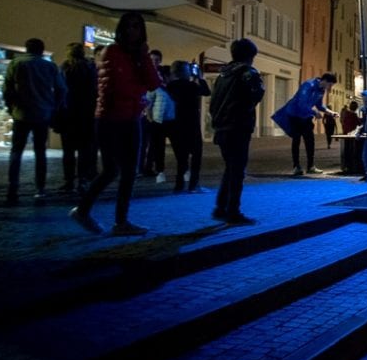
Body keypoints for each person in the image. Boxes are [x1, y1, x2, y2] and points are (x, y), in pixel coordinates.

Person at [70, 12, 162, 235]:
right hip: (111, 118)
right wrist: (139, 94)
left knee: (129, 171)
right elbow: (117, 87)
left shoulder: (138, 55)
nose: (132, 31)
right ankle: (83, 211)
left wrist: (144, 58)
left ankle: (121, 221)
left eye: (137, 27)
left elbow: (153, 83)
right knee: (111, 170)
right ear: (121, 29)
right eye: (129, 27)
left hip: (131, 118)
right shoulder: (112, 52)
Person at [3, 38, 67, 205]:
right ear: (41, 50)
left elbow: (7, 88)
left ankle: (13, 188)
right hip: (42, 114)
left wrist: (11, 107)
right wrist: (54, 107)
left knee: (16, 151)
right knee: (40, 152)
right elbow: (61, 89)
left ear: (26, 48)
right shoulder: (49, 66)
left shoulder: (16, 63)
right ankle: (40, 189)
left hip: (21, 114)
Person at [208, 38, 264, 224]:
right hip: (238, 126)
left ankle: (221, 207)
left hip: (222, 126)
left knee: (230, 168)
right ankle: (233, 211)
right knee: (237, 170)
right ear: (251, 56)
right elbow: (257, 93)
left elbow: (213, 101)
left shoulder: (223, 74)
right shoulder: (248, 72)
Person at [165, 60, 211, 193]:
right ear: (185, 72)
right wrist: (199, 77)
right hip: (191, 125)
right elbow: (207, 92)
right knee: (196, 155)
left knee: (181, 157)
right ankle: (193, 185)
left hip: (175, 125)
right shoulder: (191, 86)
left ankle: (179, 185)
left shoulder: (169, 86)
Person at [59, 42, 98, 194]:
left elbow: (60, 90)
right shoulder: (89, 67)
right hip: (86, 113)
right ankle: (83, 180)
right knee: (84, 150)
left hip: (68, 113)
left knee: (68, 150)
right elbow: (95, 90)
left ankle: (68, 181)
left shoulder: (65, 68)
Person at [282, 73, 338, 176]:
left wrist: (331, 112)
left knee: (310, 140)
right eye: (330, 84)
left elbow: (320, 105)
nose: (330, 87)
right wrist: (315, 112)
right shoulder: (308, 85)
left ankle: (311, 166)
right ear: (324, 81)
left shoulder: (321, 90)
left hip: (306, 115)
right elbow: (301, 103)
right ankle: (296, 166)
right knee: (296, 139)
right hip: (295, 114)